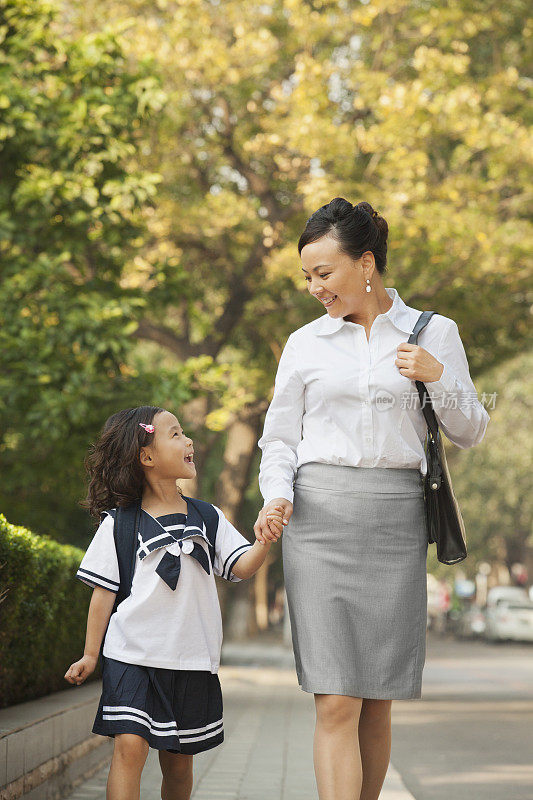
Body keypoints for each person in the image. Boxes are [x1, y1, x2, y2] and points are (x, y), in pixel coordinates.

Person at [253, 198, 490, 800]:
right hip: (319, 519)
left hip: (395, 520)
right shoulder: (304, 344)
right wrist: (277, 497)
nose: (314, 288)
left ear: (365, 264)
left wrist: (440, 377)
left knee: (376, 700)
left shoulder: (435, 333)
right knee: (336, 698)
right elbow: (279, 438)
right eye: (307, 276)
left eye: (323, 273)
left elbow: (471, 431)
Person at [64, 405, 284, 800]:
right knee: (129, 747)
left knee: (179, 763)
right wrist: (90, 655)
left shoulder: (208, 517)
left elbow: (241, 567)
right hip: (132, 655)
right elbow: (103, 593)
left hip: (191, 659)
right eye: (176, 434)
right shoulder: (120, 523)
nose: (189, 441)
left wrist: (264, 539)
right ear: (146, 457)